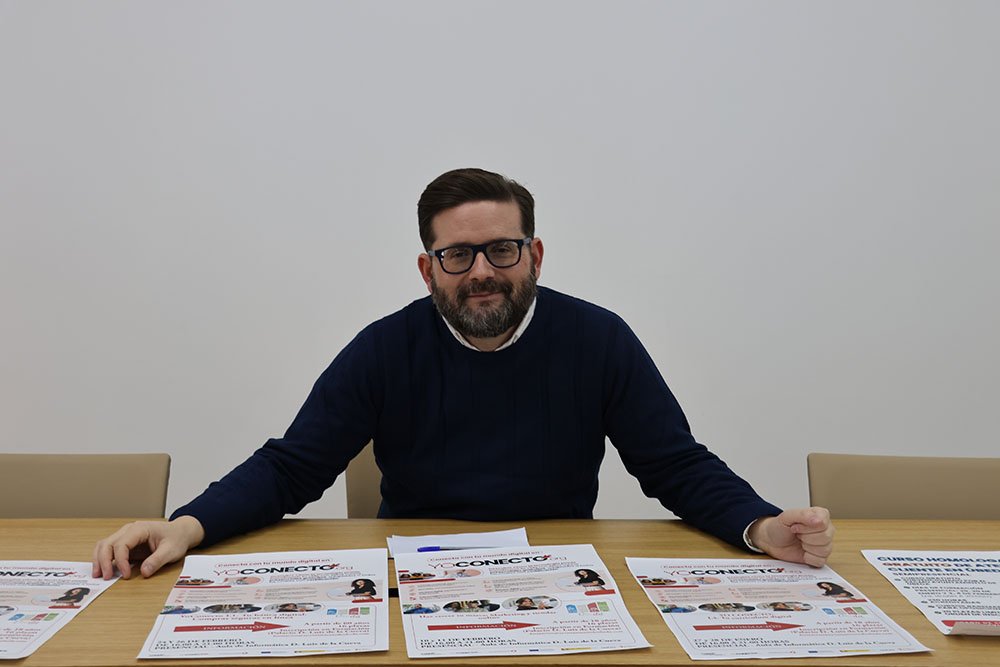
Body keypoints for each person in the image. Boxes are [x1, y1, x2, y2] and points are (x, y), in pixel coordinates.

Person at [92, 167, 835, 581]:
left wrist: (762, 524)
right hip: (407, 579)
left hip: (559, 577)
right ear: (428, 268)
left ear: (534, 257)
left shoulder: (598, 339)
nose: (482, 272)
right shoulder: (385, 349)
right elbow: (292, 466)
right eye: (458, 255)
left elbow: (674, 463)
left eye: (502, 250)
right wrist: (186, 524)